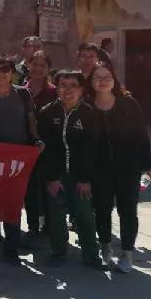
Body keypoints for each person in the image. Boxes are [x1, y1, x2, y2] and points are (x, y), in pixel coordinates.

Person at [87, 62, 151, 273]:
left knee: (128, 210)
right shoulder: (86, 107)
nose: (103, 81)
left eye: (107, 76)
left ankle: (127, 253)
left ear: (114, 80)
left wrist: (148, 164)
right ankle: (105, 247)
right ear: (91, 82)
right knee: (102, 209)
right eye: (98, 77)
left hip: (128, 167)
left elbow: (141, 136)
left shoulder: (128, 104)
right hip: (99, 168)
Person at [0, 53, 40, 264]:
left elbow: (31, 120)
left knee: (13, 205)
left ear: (13, 73)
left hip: (17, 159)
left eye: (5, 70)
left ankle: (11, 249)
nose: (1, 74)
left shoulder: (23, 93)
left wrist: (36, 140)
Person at [37, 70, 105, 269]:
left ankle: (91, 255)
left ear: (81, 90)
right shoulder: (47, 112)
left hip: (80, 176)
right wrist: (52, 178)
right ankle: (58, 252)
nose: (67, 90)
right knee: (56, 215)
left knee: (84, 214)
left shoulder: (90, 114)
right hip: (56, 175)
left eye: (73, 86)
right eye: (63, 86)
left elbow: (92, 149)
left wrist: (85, 179)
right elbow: (46, 148)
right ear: (56, 88)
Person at [21, 50, 56, 244]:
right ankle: (33, 227)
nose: (38, 68)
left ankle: (50, 228)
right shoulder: (20, 91)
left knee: (48, 188)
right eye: (35, 64)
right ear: (28, 65)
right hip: (26, 148)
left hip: (49, 148)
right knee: (29, 189)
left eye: (43, 65)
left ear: (49, 69)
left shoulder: (54, 92)